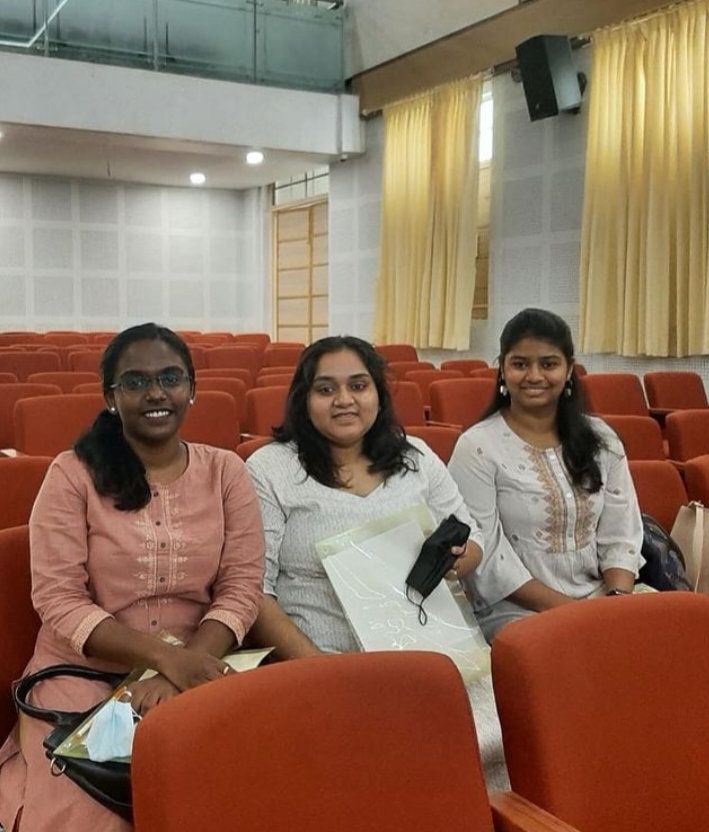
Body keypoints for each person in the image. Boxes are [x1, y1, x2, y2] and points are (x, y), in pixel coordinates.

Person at [0, 323, 265, 832]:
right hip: (83, 672)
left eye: (171, 377)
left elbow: (241, 586)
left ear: (191, 388)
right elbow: (58, 598)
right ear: (111, 397)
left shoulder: (226, 471)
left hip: (202, 659)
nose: (156, 392)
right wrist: (166, 661)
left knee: (234, 794)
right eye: (136, 382)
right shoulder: (72, 474)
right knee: (89, 811)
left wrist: (183, 668)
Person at [245, 335, 483, 659]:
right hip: (321, 658)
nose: (344, 400)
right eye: (326, 389)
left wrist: (455, 560)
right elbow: (255, 589)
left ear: (379, 395)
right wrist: (319, 668)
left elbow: (473, 538)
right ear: (304, 400)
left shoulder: (417, 457)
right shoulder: (269, 469)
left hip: (427, 650)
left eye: (358, 386)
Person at [448, 308, 644, 642]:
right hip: (515, 609)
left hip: (603, 597)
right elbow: (489, 557)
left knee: (671, 635)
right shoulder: (477, 447)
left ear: (569, 369)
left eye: (549, 364)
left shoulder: (601, 439)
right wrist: (579, 615)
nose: (534, 375)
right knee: (573, 652)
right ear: (503, 369)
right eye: (520, 364)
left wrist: (617, 601)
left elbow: (621, 532)